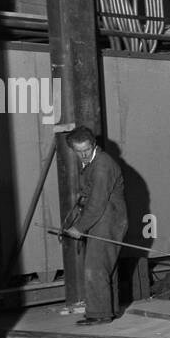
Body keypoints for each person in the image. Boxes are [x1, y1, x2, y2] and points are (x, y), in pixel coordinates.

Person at [62, 127, 128, 326]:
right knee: (106, 267)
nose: (83, 154)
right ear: (73, 149)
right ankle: (110, 309)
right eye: (78, 151)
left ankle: (99, 314)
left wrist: (79, 228)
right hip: (107, 218)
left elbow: (98, 202)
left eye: (86, 149)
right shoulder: (92, 162)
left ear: (94, 145)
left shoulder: (101, 166)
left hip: (107, 220)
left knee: (95, 267)